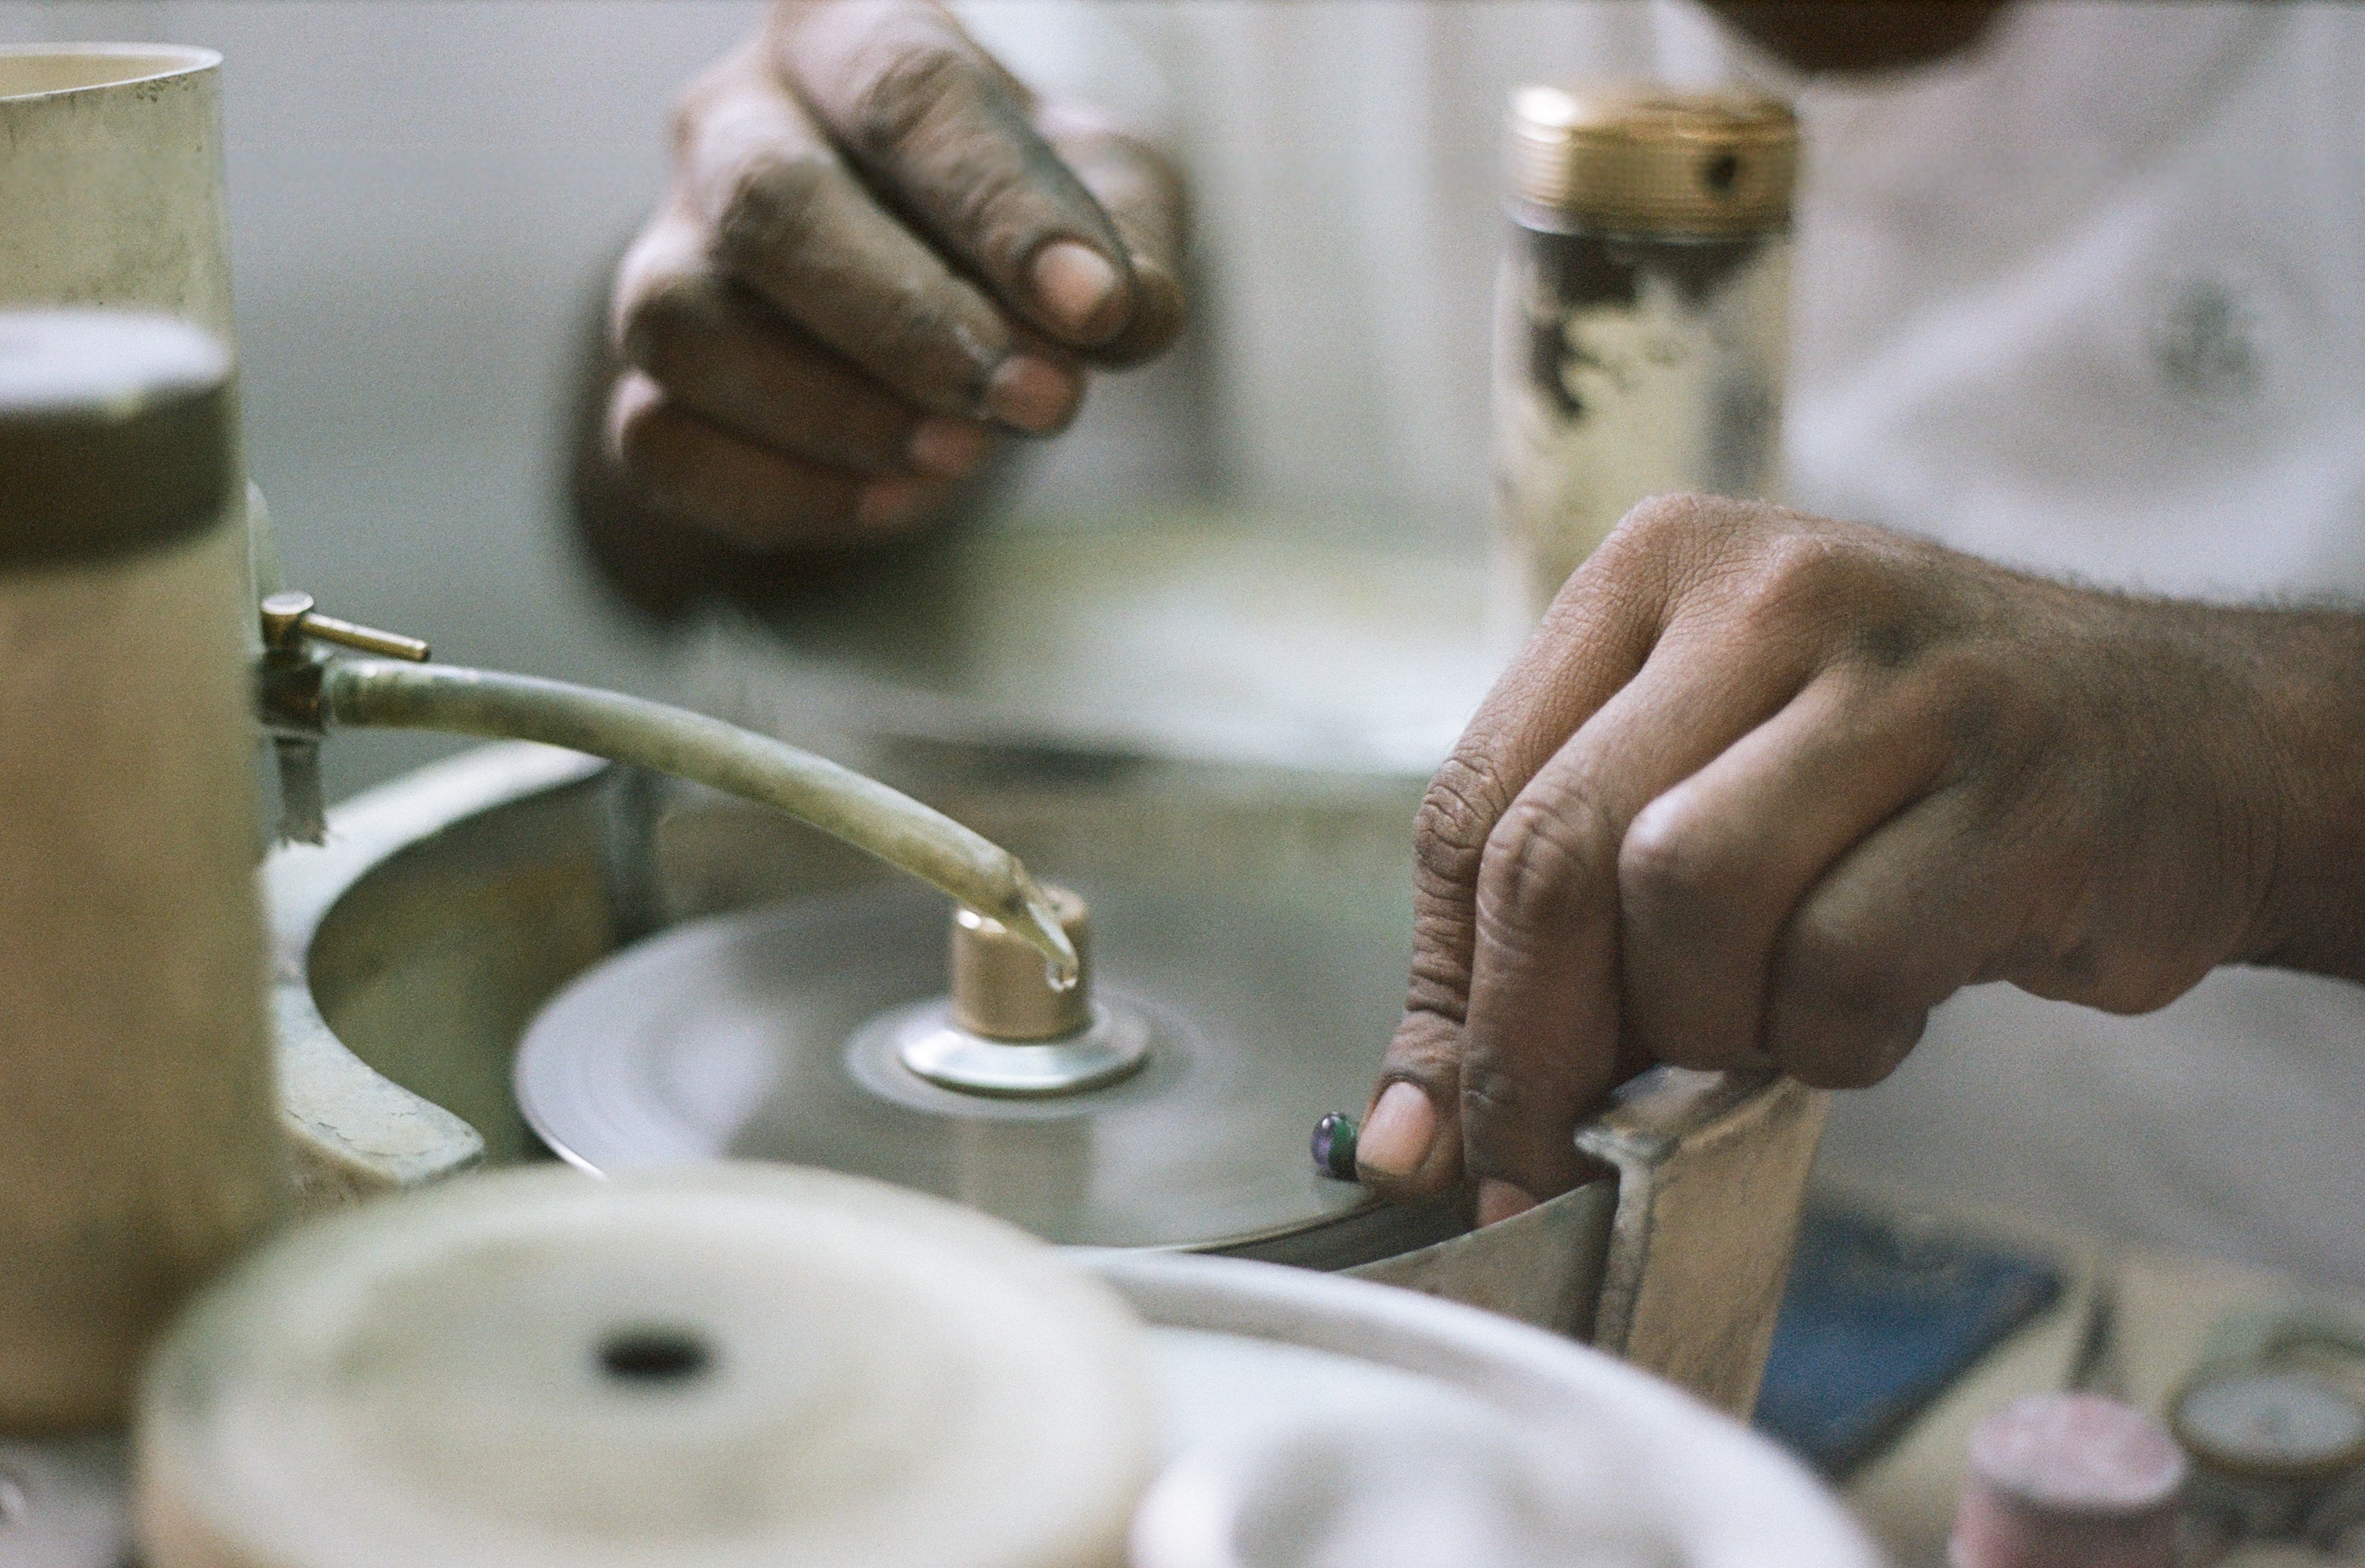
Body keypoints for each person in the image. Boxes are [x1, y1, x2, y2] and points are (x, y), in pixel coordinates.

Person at [574, 2, 2365, 1282]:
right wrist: (794, 324)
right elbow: (659, 533)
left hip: (2241, 1321)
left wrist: (2274, 765)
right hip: (1411, 1271)